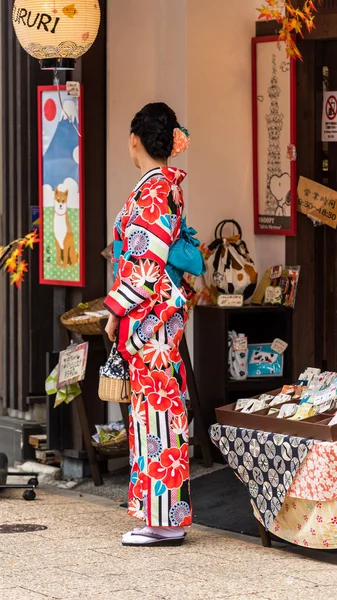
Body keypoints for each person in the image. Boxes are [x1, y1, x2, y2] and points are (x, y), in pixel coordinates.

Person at [104, 102, 192, 547]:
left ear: (134, 139)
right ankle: (159, 515)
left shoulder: (154, 191)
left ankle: (165, 521)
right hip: (155, 316)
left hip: (150, 319)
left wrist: (117, 308)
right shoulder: (163, 186)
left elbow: (145, 262)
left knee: (157, 414)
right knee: (154, 415)